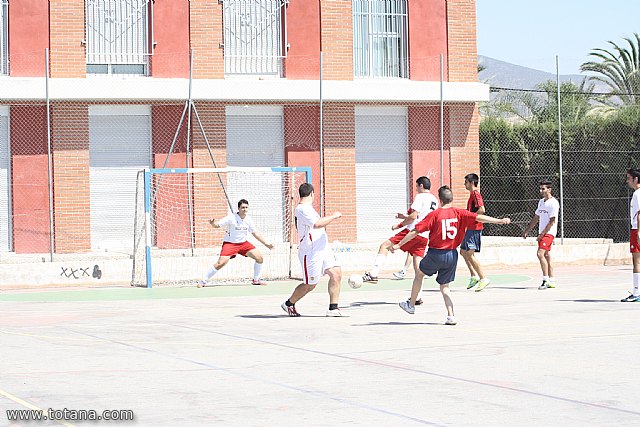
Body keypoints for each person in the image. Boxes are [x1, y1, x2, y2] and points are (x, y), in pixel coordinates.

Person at [390, 186, 511, 325]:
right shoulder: (459, 213)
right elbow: (479, 217)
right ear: (451, 199)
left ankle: (411, 304)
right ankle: (451, 315)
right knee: (445, 287)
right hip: (452, 255)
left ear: (440, 200)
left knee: (419, 274)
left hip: (436, 253)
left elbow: (415, 231)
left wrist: (399, 244)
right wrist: (499, 220)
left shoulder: (434, 215)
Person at [362, 176, 439, 304]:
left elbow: (414, 217)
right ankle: (417, 297)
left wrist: (399, 225)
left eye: (416, 186)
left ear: (420, 186)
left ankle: (373, 274)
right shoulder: (434, 200)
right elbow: (420, 216)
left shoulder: (420, 197)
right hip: (424, 236)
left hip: (412, 232)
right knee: (418, 269)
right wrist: (404, 217)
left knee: (384, 246)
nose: (415, 189)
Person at [281, 183, 344, 317]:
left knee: (336, 273)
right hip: (310, 251)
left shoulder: (308, 208)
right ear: (312, 193)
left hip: (323, 247)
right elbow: (317, 224)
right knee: (310, 285)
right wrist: (334, 216)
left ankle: (333, 308)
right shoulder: (302, 209)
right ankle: (289, 304)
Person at [198, 199, 274, 287]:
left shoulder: (248, 219)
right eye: (242, 208)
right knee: (221, 263)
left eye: (246, 207)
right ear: (238, 208)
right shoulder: (231, 217)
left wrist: (266, 244)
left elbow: (255, 233)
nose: (245, 209)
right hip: (230, 244)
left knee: (259, 258)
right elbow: (217, 225)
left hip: (243, 244)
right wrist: (213, 223)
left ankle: (256, 280)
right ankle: (203, 281)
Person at [522, 180, 560, 290]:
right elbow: (536, 217)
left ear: (549, 189)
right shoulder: (541, 202)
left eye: (543, 189)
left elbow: (552, 221)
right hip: (542, 233)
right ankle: (552, 281)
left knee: (540, 254)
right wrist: (527, 230)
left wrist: (542, 234)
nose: (541, 191)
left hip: (549, 233)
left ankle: (545, 280)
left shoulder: (554, 203)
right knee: (547, 255)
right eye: (540, 188)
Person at [460, 173, 490, 292]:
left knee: (470, 254)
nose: (464, 184)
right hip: (470, 228)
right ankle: (474, 276)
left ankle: (483, 278)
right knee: (463, 251)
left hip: (475, 228)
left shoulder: (476, 194)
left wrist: (473, 217)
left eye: (466, 182)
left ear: (472, 183)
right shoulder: (471, 195)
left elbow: (482, 209)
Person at [622, 168, 640, 302]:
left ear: (636, 179)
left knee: (637, 261)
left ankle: (636, 292)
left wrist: (639, 231)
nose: (627, 181)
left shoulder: (637, 194)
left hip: (636, 229)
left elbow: (639, 213)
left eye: (629, 178)